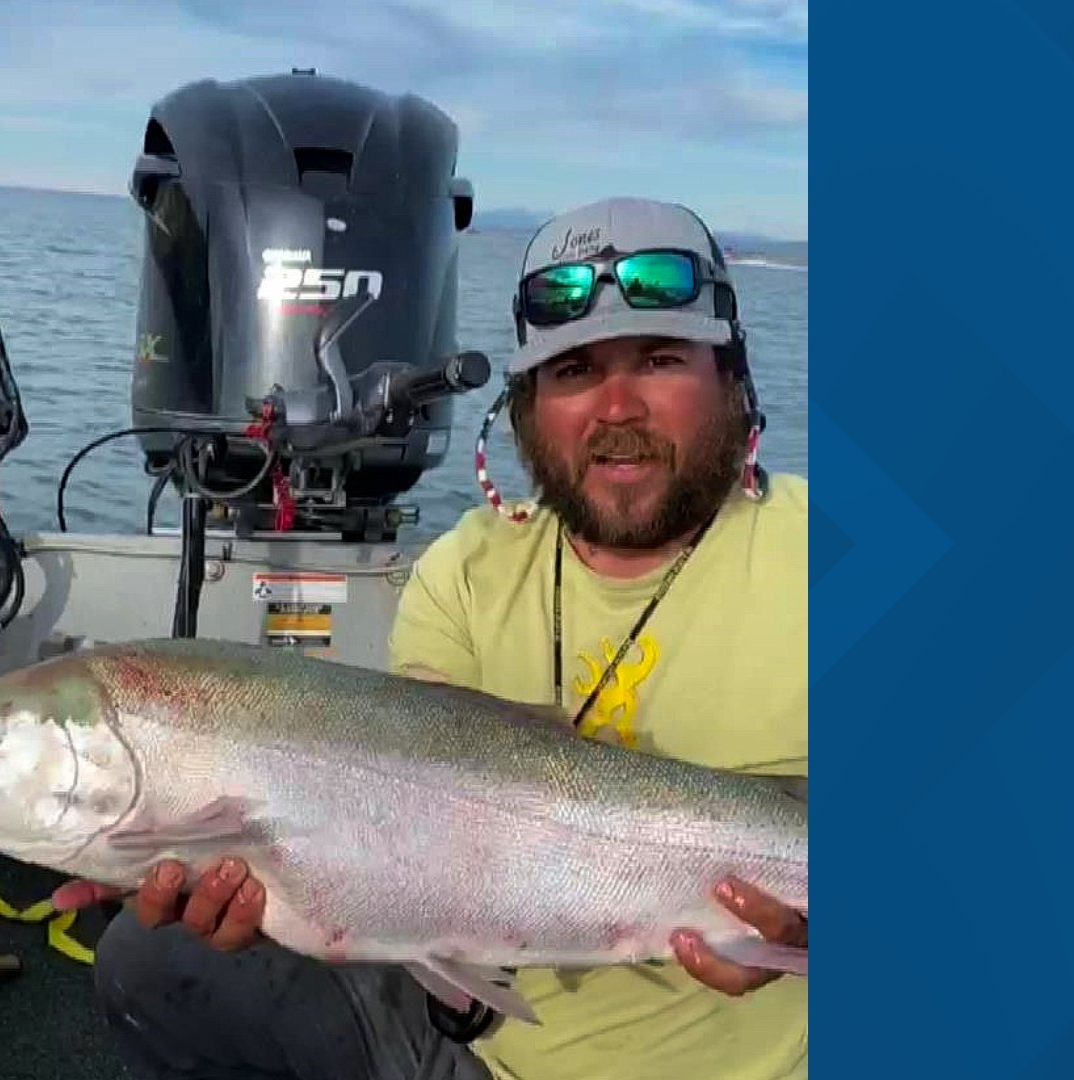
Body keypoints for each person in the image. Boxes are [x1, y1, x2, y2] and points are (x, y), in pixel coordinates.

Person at [53, 196, 809, 1080]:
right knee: (154, 962)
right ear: (526, 408)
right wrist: (274, 885)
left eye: (658, 359)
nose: (615, 407)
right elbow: (420, 840)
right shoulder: (465, 571)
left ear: (732, 379)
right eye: (573, 372)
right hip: (488, 1057)